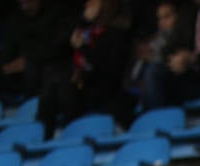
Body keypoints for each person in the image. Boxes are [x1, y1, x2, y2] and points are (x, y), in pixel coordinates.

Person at [37, 0, 135, 138]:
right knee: (53, 82)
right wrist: (82, 20)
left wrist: (83, 48)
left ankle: (73, 137)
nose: (87, 5)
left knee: (66, 88)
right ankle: (42, 139)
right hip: (82, 87)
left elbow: (107, 70)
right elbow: (53, 51)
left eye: (92, 2)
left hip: (105, 89)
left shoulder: (117, 34)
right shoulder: (84, 29)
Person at [137, 0, 200, 109]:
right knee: (155, 70)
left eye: (167, 16)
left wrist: (195, 58)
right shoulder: (188, 12)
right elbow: (169, 48)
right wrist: (178, 58)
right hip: (192, 76)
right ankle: (158, 117)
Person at [0, 0, 72, 103]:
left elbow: (57, 48)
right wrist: (5, 66)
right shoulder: (15, 19)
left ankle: (31, 106)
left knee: (33, 68)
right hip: (17, 75)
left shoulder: (55, 14)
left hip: (43, 73)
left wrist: (28, 60)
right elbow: (6, 53)